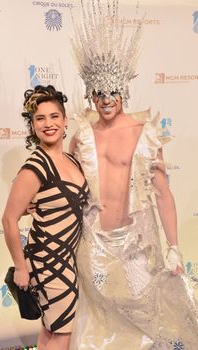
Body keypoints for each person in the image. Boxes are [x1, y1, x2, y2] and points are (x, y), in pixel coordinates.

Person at [67, 1, 198, 349]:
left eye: (111, 91)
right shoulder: (81, 135)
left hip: (136, 244)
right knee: (96, 323)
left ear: (123, 89)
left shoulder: (144, 133)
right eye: (98, 93)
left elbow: (162, 192)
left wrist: (173, 245)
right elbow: (65, 181)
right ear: (90, 93)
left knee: (145, 317)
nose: (105, 99)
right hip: (93, 242)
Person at [2, 85, 89, 350]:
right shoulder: (35, 166)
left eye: (54, 116)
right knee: (62, 333)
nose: (48, 124)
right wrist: (20, 267)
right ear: (33, 126)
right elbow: (8, 220)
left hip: (67, 259)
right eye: (40, 118)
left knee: (52, 331)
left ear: (65, 121)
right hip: (48, 261)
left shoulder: (72, 160)